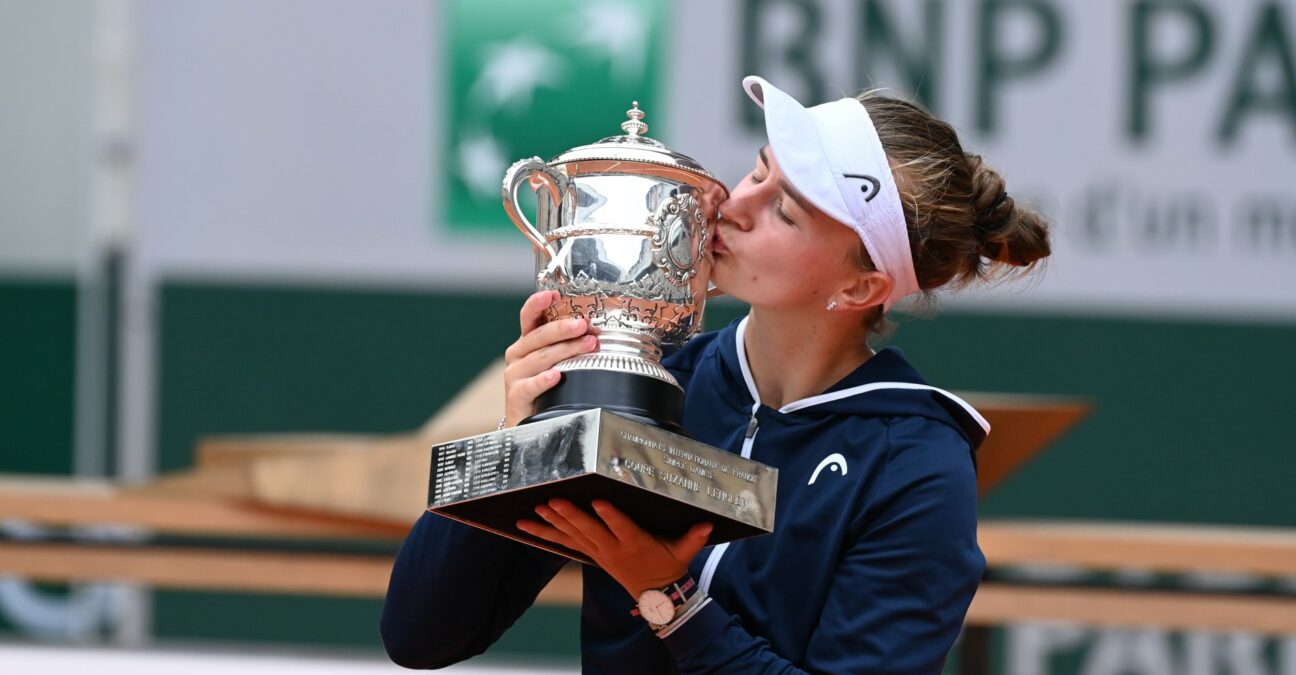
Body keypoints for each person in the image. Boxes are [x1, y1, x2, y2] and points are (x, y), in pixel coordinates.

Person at [380, 75, 1051, 674]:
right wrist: (517, 439)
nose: (733, 205)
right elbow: (420, 635)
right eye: (759, 169)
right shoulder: (648, 381)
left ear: (859, 286)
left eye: (784, 210)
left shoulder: (917, 464)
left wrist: (672, 598)